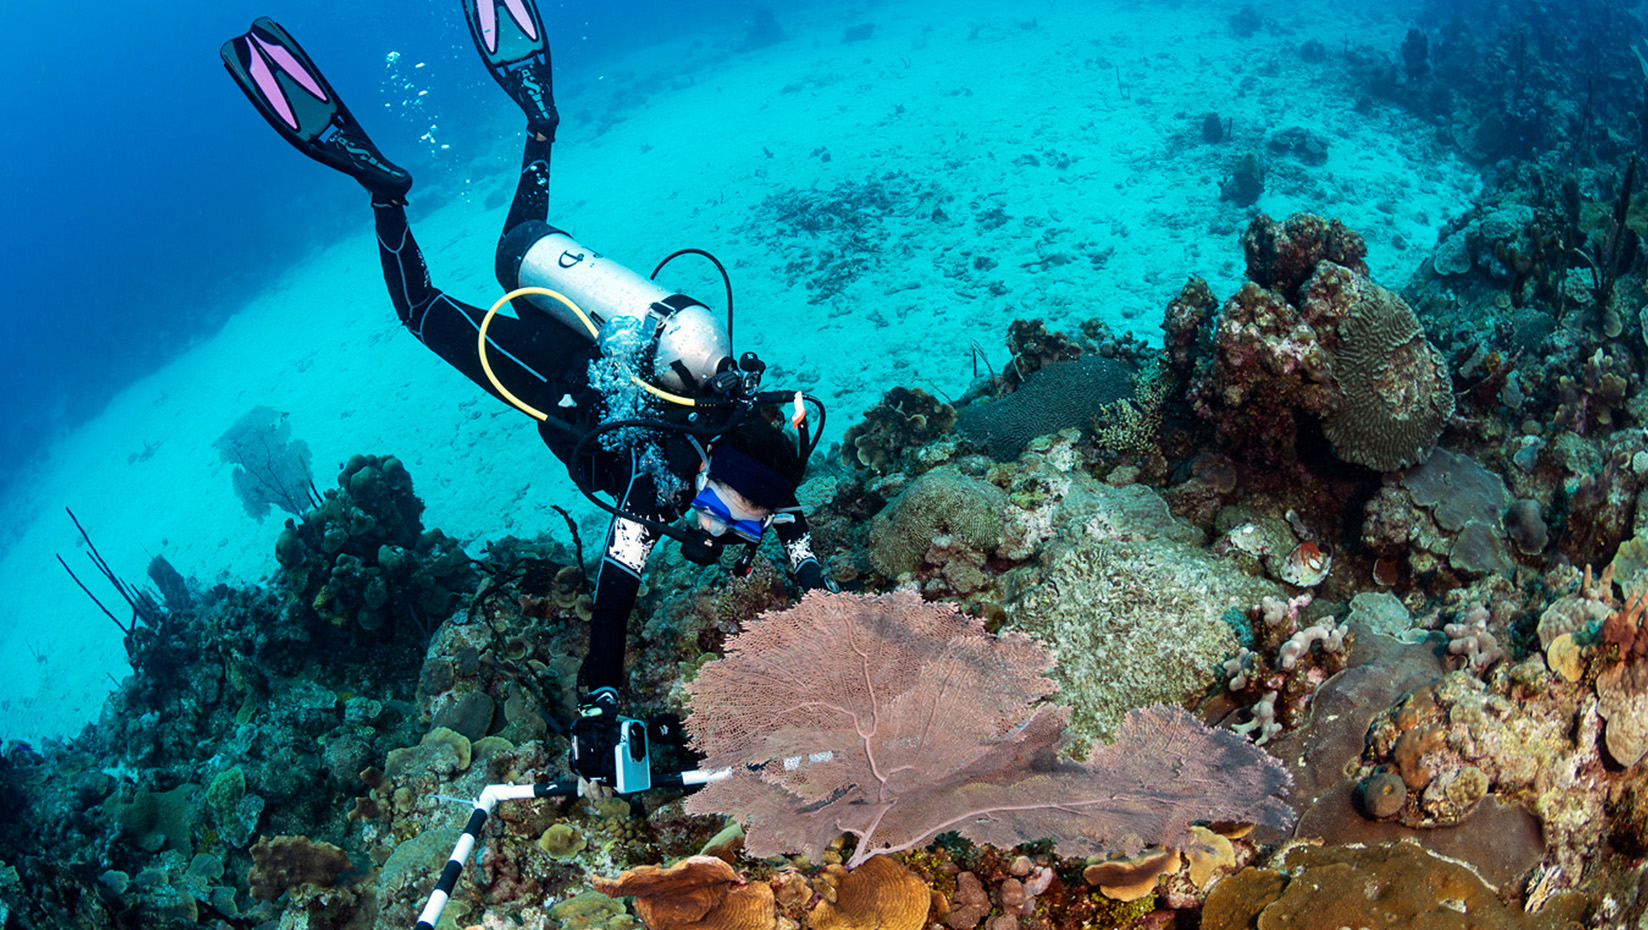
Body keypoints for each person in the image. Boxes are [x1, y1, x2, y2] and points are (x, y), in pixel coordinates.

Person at [221, 1, 834, 790]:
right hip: (537, 369)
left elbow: (800, 549)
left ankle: (539, 125)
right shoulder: (662, 484)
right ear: (720, 476)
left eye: (736, 524)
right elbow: (613, 603)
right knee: (420, 310)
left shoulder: (757, 461)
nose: (721, 532)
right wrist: (600, 701)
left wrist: (834, 610)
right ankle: (382, 190)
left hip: (591, 329)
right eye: (723, 515)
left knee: (518, 248)